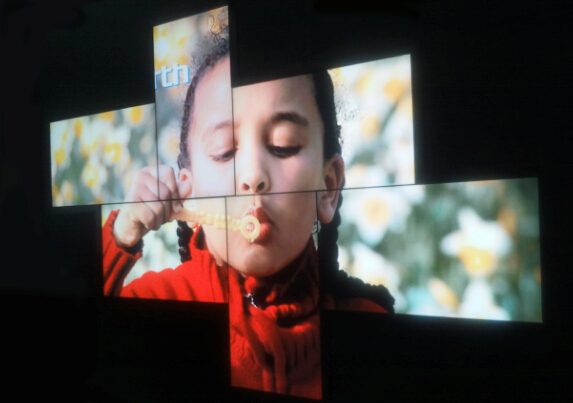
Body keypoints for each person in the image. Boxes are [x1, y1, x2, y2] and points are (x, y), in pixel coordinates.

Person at [102, 36, 394, 399]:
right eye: (225, 151)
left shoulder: (369, 327)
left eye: (284, 145)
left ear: (329, 189)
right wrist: (121, 234)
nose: (253, 175)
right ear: (188, 195)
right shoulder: (155, 303)